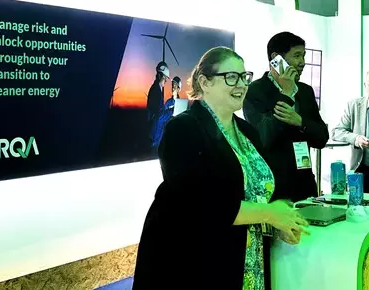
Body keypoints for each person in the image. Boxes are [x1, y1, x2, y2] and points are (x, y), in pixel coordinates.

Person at [133, 47, 310, 290]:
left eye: (244, 77)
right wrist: (270, 213)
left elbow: (257, 193)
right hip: (194, 262)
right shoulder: (183, 129)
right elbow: (201, 204)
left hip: (246, 259)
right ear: (205, 82)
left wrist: (279, 224)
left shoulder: (247, 132)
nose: (241, 85)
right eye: (231, 77)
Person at [243, 32, 328, 203]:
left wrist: (301, 122)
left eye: (303, 55)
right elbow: (264, 137)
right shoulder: (254, 91)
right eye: (297, 56)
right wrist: (287, 94)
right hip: (273, 186)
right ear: (276, 59)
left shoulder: (305, 91)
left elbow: (322, 138)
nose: (302, 62)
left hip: (305, 184)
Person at [151, 76, 182, 147]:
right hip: (163, 135)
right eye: (172, 85)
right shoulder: (168, 102)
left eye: (175, 85)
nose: (173, 87)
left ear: (179, 89)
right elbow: (161, 119)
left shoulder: (181, 105)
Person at [146, 61, 170, 147]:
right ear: (159, 75)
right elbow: (159, 114)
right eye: (165, 77)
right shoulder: (156, 90)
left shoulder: (156, 88)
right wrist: (171, 111)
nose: (166, 80)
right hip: (154, 135)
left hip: (154, 133)